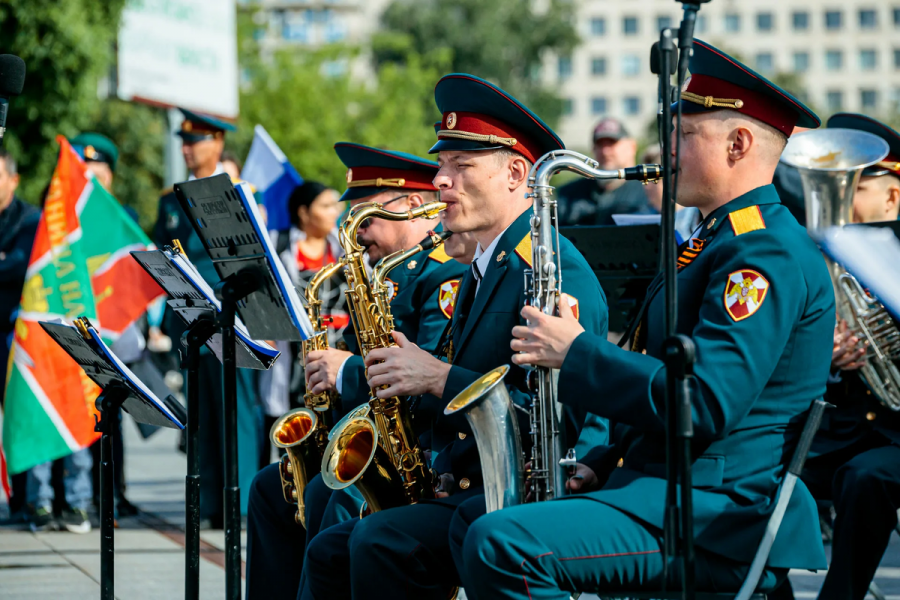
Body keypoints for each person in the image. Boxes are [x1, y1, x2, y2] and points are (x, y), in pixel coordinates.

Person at [457, 40, 835, 599]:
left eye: (684, 136)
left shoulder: (762, 253)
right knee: (472, 519)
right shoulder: (711, 240)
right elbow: (662, 368)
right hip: (671, 490)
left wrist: (577, 351)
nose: (667, 150)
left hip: (720, 515)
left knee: (503, 544)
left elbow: (704, 402)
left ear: (739, 143)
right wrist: (601, 460)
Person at [301, 74, 610, 600]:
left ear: (517, 174)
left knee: (378, 540)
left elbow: (556, 420)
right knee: (331, 548)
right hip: (473, 486)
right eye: (443, 166)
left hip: (526, 498)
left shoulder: (548, 270)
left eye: (461, 167)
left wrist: (438, 377)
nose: (441, 182)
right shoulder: (490, 264)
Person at [244, 142, 472, 600]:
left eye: (365, 220)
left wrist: (345, 371)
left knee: (335, 495)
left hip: (422, 449)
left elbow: (425, 375)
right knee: (269, 488)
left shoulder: (442, 275)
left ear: (412, 206)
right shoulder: (376, 275)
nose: (358, 233)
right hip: (377, 436)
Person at [771, 113, 900, 600]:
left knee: (865, 478)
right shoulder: (816, 258)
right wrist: (820, 352)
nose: (838, 199)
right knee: (753, 472)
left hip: (892, 437)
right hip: (839, 428)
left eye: (855, 186)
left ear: (893, 195)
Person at [152, 108, 259, 525]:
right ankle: (210, 504)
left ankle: (245, 505)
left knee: (236, 409)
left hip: (232, 314)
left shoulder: (237, 193)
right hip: (188, 316)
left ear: (217, 143)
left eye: (195, 141)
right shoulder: (170, 199)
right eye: (183, 141)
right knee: (201, 413)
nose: (186, 149)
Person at [260, 180, 345, 465]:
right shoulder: (278, 244)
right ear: (304, 213)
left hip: (337, 349)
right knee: (291, 422)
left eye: (335, 205)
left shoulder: (344, 247)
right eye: (325, 206)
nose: (334, 212)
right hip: (292, 356)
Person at [0, 148, 41, 519]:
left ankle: (24, 499)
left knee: (19, 419)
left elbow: (20, 268)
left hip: (14, 337)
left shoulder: (31, 221)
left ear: (13, 179)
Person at [557, 117, 650, 226]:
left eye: (612, 143)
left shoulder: (649, 192)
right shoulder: (569, 195)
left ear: (632, 147)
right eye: (600, 145)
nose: (605, 152)